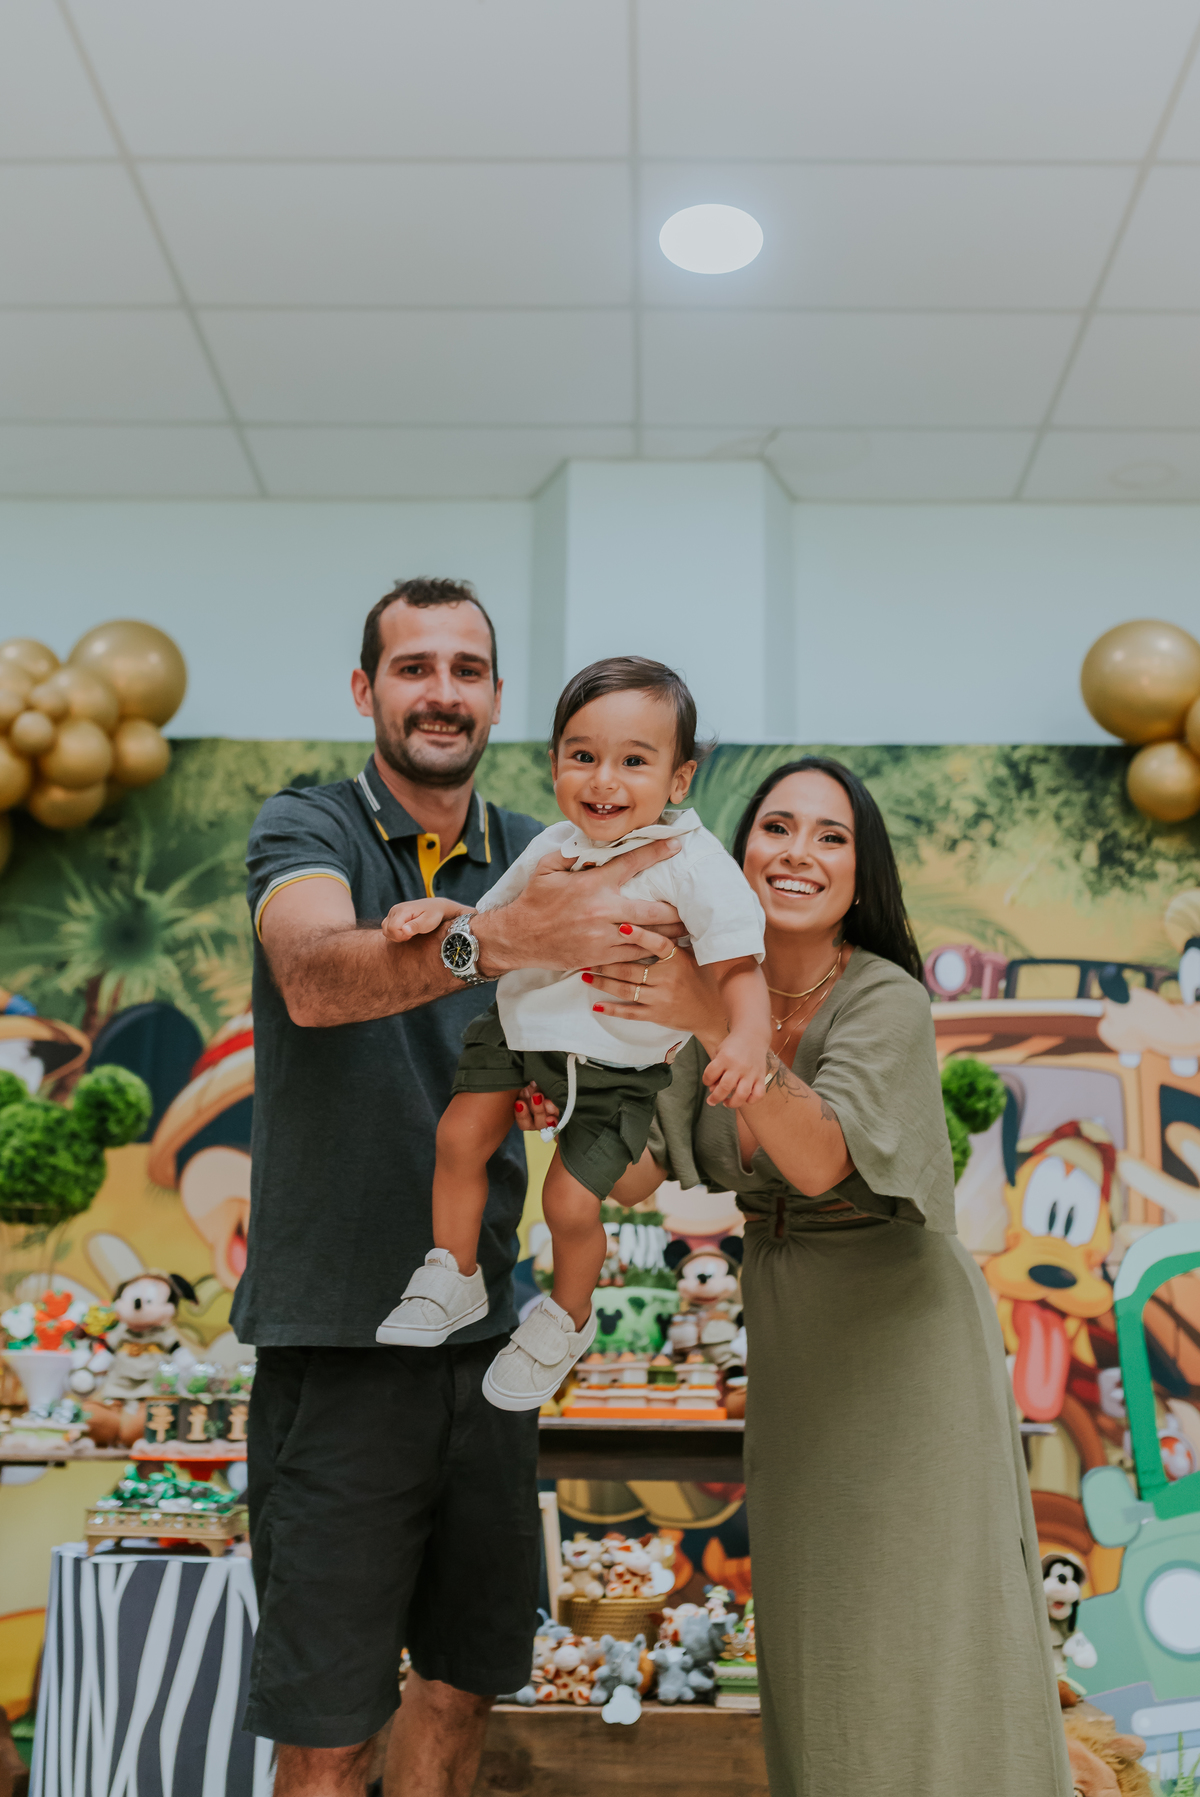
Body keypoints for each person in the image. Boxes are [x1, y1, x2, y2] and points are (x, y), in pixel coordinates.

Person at [234, 579, 688, 1797]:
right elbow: (316, 979)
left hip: (486, 1345)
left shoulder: (545, 851)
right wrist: (508, 939)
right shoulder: (309, 829)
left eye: (468, 669)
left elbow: (617, 1053)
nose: (442, 692)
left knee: (459, 1687)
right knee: (329, 1729)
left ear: (497, 697)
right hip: (335, 1340)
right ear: (366, 690)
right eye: (414, 666)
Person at [554, 756, 1071, 1797]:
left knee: (922, 1629)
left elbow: (822, 1159)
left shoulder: (883, 997)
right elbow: (637, 1175)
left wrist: (704, 1014)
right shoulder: (713, 984)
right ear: (737, 854)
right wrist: (568, 1061)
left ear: (859, 870)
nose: (799, 853)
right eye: (778, 828)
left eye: (830, 837)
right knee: (817, 1630)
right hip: (796, 1331)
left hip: (904, 1338)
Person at [373, 657, 768, 1411]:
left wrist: (745, 1036)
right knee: (458, 1137)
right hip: (516, 1030)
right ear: (554, 762)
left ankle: (568, 1315)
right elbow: (498, 923)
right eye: (582, 756)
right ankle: (453, 1270)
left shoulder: (693, 864)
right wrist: (443, 913)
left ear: (678, 781)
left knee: (567, 1205)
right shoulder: (553, 845)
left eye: (633, 761)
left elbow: (737, 958)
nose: (603, 781)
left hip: (614, 1066)